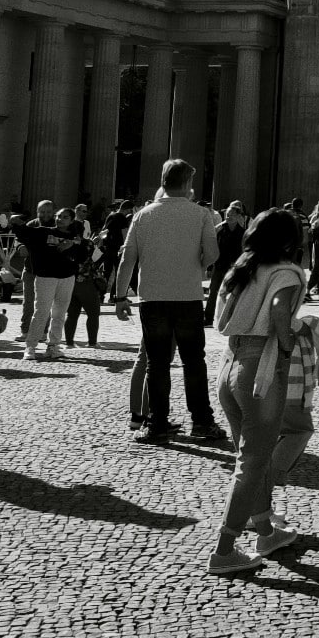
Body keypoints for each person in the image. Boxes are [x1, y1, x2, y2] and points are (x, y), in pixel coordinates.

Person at [208, 208, 308, 575]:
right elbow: (281, 310)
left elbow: (221, 316)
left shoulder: (243, 268)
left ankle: (266, 531)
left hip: (229, 362)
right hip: (260, 368)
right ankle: (224, 548)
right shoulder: (285, 273)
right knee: (251, 463)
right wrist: (287, 342)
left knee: (252, 456)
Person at [112, 159, 227, 445]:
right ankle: (201, 421)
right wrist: (197, 264)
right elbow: (213, 254)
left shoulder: (143, 215)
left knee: (157, 363)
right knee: (194, 362)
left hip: (152, 297)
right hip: (187, 296)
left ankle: (157, 423)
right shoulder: (201, 214)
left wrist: (120, 295)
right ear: (188, 183)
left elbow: (127, 259)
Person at [14, 201, 89, 361]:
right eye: (58, 216)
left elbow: (83, 256)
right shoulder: (43, 232)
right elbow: (22, 233)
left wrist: (73, 245)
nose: (60, 219)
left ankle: (53, 346)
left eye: (65, 217)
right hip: (45, 277)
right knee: (41, 312)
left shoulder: (76, 238)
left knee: (59, 314)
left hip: (67, 277)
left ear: (71, 220)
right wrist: (14, 221)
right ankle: (31, 347)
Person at [64, 218, 107, 348]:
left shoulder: (64, 243)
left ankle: (69, 342)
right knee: (93, 313)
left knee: (72, 314)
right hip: (86, 282)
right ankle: (92, 342)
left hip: (69, 281)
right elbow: (94, 260)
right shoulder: (87, 244)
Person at [205, 202, 248, 326]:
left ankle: (231, 319)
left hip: (235, 268)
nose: (228, 217)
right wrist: (209, 267)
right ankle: (208, 318)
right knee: (213, 292)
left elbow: (244, 251)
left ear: (238, 216)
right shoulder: (219, 229)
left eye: (231, 215)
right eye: (227, 214)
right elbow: (211, 248)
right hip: (219, 266)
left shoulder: (243, 233)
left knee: (234, 294)